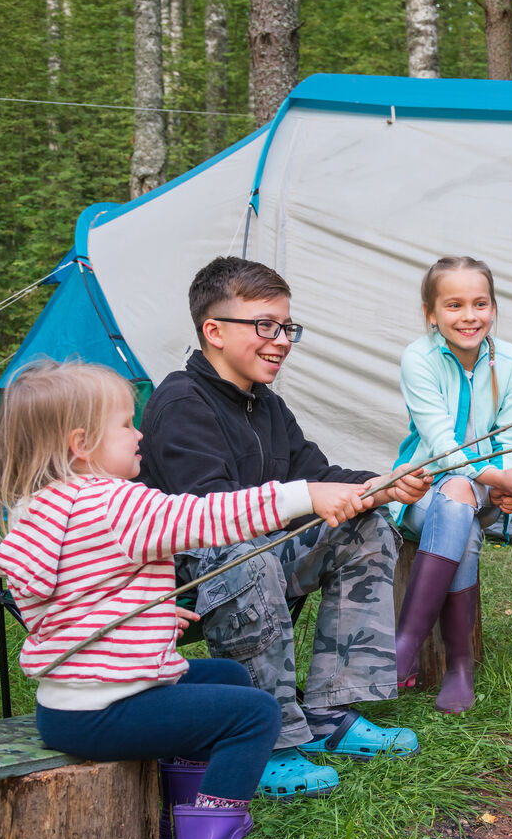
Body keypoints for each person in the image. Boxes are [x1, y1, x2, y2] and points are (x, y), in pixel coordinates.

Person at [0, 361, 384, 839]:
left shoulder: (41, 507)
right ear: (81, 444)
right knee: (254, 714)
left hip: (64, 706)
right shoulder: (112, 503)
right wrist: (304, 494)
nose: (139, 433)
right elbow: (209, 517)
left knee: (226, 676)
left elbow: (56, 605)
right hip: (108, 707)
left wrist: (139, 618)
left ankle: (178, 820)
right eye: (126, 424)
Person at [139, 257, 430, 801]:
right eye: (265, 326)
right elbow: (209, 518)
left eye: (286, 328)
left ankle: (327, 710)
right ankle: (268, 734)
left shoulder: (265, 405)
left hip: (252, 557)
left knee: (364, 527)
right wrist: (306, 499)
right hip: (180, 581)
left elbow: (317, 476)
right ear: (214, 331)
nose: (281, 341)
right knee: (243, 553)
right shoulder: (181, 402)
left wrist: (383, 485)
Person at [390, 257, 512, 713]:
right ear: (430, 313)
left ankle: (403, 649)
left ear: (493, 307)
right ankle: (456, 665)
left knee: (463, 497)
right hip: (422, 487)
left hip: (485, 492)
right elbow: (441, 445)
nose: (468, 316)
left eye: (480, 303)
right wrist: (489, 476)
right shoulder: (419, 358)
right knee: (458, 506)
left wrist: (508, 481)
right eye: (453, 305)